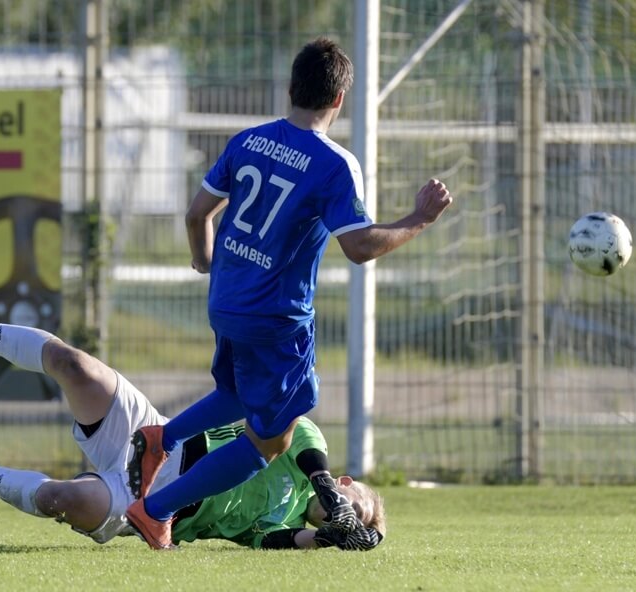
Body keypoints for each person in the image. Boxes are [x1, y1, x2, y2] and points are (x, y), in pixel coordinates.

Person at [125, 37, 452, 549]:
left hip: (226, 300)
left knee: (236, 394)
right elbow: (360, 248)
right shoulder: (334, 164)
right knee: (271, 440)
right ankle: (155, 511)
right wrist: (419, 219)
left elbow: (196, 215)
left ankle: (158, 439)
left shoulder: (247, 141)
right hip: (275, 318)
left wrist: (206, 261)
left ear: (291, 88)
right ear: (339, 99)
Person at [0, 284, 384, 550]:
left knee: (59, 498)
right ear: (344, 481)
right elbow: (303, 443)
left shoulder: (287, 517)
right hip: (150, 439)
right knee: (75, 365)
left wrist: (327, 538)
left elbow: (275, 539)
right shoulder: (306, 443)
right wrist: (325, 491)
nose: (349, 515)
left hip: (150, 508)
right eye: (355, 505)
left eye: (354, 520)